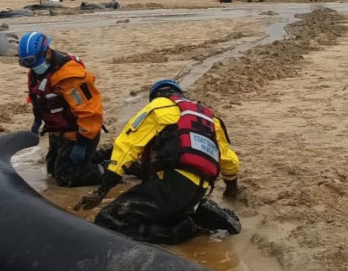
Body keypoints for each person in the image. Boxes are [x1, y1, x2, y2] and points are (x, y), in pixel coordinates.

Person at [74, 79, 241, 245]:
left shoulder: (158, 106)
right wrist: (231, 189)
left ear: (156, 96)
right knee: (162, 211)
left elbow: (126, 145)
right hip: (199, 188)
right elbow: (229, 160)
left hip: (171, 184)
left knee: (108, 220)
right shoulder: (210, 118)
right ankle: (200, 211)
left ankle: (189, 228)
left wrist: (101, 192)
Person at [18, 31, 105, 187]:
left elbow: (89, 111)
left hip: (79, 132)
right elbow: (39, 100)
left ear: (48, 53)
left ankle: (114, 169)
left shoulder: (69, 77)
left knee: (67, 178)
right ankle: (97, 157)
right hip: (58, 131)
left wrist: (82, 143)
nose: (31, 67)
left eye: (33, 63)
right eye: (26, 63)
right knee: (52, 171)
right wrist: (37, 122)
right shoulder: (37, 72)